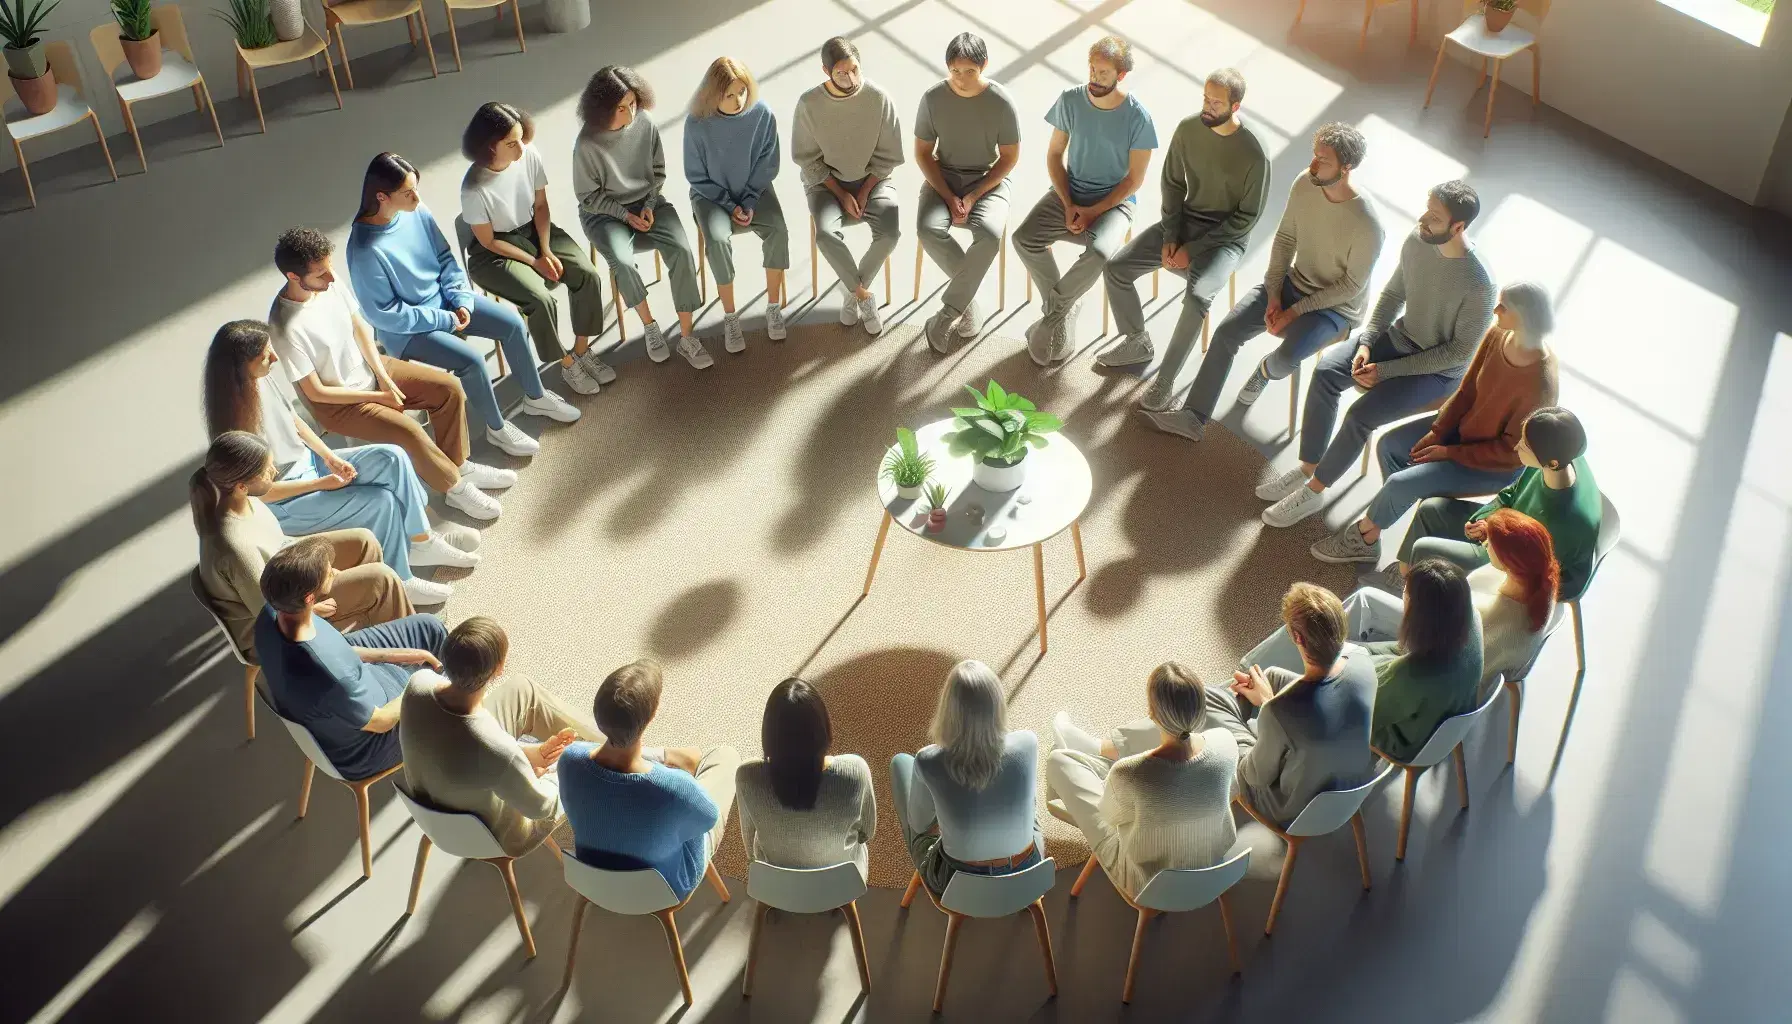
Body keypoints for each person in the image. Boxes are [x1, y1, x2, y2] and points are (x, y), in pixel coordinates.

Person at [1258, 180, 1498, 529]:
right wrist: (1368, 342)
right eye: (1426, 209)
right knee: (1327, 371)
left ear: (1458, 227)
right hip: (1396, 341)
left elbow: (1458, 352)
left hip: (1436, 372)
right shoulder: (1419, 241)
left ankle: (1315, 490)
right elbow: (1391, 296)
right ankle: (1309, 465)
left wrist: (1385, 371)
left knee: (1360, 415)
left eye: (1434, 217)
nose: (1423, 219)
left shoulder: (1480, 284)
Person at [1143, 122, 1382, 441]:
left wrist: (1294, 312)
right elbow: (1285, 239)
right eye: (1314, 155)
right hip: (1294, 284)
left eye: (1323, 160)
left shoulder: (1367, 224)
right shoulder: (1305, 183)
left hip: (1336, 310)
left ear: (1347, 167)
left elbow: (1350, 287)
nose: (1312, 164)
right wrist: (1273, 294)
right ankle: (1194, 418)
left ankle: (1265, 371)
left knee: (1284, 359)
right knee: (1227, 331)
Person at [206, 317, 489, 580]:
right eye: (266, 355)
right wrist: (322, 483)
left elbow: (295, 423)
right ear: (241, 366)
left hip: (310, 464)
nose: (275, 358)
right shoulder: (233, 432)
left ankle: (422, 539)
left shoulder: (260, 378)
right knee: (381, 501)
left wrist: (328, 457)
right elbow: (261, 497)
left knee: (393, 457)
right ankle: (401, 578)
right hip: (286, 501)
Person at [346, 152, 581, 459]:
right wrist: (445, 319)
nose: (417, 197)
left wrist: (460, 298)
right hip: (407, 330)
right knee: (471, 361)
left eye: (416, 187)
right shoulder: (364, 250)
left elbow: (445, 258)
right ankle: (497, 430)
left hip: (447, 303)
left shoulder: (416, 210)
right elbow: (386, 314)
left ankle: (535, 397)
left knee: (511, 325)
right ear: (382, 197)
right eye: (408, 192)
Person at [271, 227, 513, 519]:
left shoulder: (328, 284)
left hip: (370, 370)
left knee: (448, 388)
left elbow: (360, 328)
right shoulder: (285, 327)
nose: (332, 278)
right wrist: (380, 396)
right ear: (293, 277)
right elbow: (315, 393)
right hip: (340, 404)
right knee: (408, 430)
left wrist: (384, 378)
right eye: (321, 274)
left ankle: (457, 464)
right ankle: (456, 489)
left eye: (330, 269)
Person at [1311, 281, 1559, 565]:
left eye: (1504, 306)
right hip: (1460, 431)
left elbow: (1510, 451)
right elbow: (1467, 391)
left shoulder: (1540, 384)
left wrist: (1448, 452)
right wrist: (1437, 433)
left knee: (1401, 483)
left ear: (1525, 315)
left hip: (1493, 464)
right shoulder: (1498, 334)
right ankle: (1397, 515)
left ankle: (1372, 538)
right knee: (1390, 447)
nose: (1495, 310)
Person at [1098, 67, 1270, 412]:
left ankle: (1165, 381)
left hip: (1226, 239)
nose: (1207, 107)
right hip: (1185, 222)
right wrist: (1171, 237)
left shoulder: (1254, 153)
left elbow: (1246, 218)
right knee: (1116, 266)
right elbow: (1173, 185)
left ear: (1235, 107)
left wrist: (1193, 249)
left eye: (1216, 103)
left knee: (1197, 297)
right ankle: (1137, 340)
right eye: (1205, 98)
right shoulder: (1188, 129)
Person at [399, 616, 604, 857]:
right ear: (498, 669)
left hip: (439, 797)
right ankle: (615, 751)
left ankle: (608, 743)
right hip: (497, 835)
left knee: (521, 688)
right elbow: (542, 807)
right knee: (580, 766)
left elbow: (474, 747)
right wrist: (559, 769)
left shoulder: (418, 684)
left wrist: (528, 755)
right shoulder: (496, 750)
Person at [193, 432, 418, 648]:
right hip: (279, 624)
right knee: (382, 579)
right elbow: (269, 614)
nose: (274, 471)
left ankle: (381, 626)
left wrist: (323, 567)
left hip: (289, 580)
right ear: (241, 486)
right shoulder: (236, 548)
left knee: (363, 542)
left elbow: (282, 545)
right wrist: (312, 610)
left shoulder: (242, 501)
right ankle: (414, 655)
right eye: (266, 470)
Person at [1014, 35, 1158, 366]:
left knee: (1101, 251)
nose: (1094, 77)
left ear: (1121, 75)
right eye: (1092, 68)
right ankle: (1067, 306)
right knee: (1024, 239)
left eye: (1104, 72)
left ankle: (1052, 317)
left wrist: (1094, 211)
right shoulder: (1070, 100)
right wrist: (1068, 203)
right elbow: (1053, 155)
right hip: (1070, 192)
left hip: (1116, 203)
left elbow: (1134, 180)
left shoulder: (1139, 118)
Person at [255, 537, 448, 781]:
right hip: (368, 747)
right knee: (449, 687)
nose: (335, 572)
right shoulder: (330, 676)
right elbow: (381, 721)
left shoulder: (270, 614)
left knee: (429, 627)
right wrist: (424, 681)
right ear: (308, 598)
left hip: (352, 680)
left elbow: (340, 653)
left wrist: (400, 654)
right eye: (328, 574)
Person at [1045, 663, 1241, 900]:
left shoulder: (1130, 773)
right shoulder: (1225, 741)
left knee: (1058, 759)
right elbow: (1231, 789)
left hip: (1146, 883)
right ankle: (1100, 752)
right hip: (1212, 868)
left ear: (1152, 713)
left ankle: (1089, 756)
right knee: (1136, 775)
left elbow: (1110, 818)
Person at [460, 102, 615, 397]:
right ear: (489, 147)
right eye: (510, 143)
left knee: (587, 274)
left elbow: (541, 206)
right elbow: (489, 241)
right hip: (493, 253)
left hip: (535, 231)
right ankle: (568, 364)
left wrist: (546, 249)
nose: (521, 147)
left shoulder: (528, 155)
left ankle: (581, 352)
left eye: (521, 137)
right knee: (541, 300)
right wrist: (534, 261)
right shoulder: (473, 188)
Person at [556, 659, 740, 900]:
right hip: (665, 886)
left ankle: (664, 755)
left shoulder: (570, 759)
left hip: (591, 872)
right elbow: (706, 820)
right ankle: (669, 756)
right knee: (725, 756)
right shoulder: (675, 787)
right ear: (652, 716)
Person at [1204, 583, 1378, 827]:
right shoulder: (1362, 660)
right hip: (1352, 783)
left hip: (1292, 807)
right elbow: (1312, 703)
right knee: (1272, 675)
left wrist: (1267, 711)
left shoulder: (1279, 712)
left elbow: (1255, 776)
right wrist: (1269, 705)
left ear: (1296, 637)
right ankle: (1247, 715)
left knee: (1208, 698)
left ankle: (1238, 719)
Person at [576, 66, 711, 369]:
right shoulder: (587, 143)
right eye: (620, 108)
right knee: (622, 262)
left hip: (647, 203)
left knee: (681, 249)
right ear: (602, 109)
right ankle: (650, 326)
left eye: (633, 104)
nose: (630, 113)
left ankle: (688, 336)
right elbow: (587, 197)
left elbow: (658, 171)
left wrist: (648, 205)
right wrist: (624, 214)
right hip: (603, 214)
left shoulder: (645, 123)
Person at [1396, 406, 1602, 601]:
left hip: (1523, 570)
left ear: (1552, 463)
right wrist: (1485, 518)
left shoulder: (1566, 522)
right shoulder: (1555, 458)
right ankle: (1405, 581)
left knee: (1423, 548)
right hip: (1512, 533)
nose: (1516, 446)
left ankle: (1415, 604)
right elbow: (1509, 495)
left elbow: (1531, 570)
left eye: (1525, 444)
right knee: (1429, 510)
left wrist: (1490, 538)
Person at [890, 660, 1044, 897]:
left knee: (901, 763)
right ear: (998, 703)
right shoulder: (1027, 742)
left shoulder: (929, 760)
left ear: (947, 709)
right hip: (1028, 873)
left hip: (958, 884)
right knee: (1030, 808)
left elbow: (920, 824)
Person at [913, 32, 1021, 354]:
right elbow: (922, 153)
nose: (960, 79)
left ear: (984, 66)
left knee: (989, 235)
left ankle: (947, 314)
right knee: (927, 229)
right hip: (943, 177)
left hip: (988, 181)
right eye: (955, 71)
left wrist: (973, 197)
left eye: (969, 72)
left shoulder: (1001, 103)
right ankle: (969, 299)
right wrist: (948, 196)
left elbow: (1010, 158)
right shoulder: (932, 99)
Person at [792, 36, 905, 338]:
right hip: (825, 185)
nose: (852, 78)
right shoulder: (809, 104)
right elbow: (807, 160)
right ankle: (864, 296)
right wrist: (841, 192)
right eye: (842, 73)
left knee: (891, 233)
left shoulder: (879, 98)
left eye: (855, 69)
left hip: (873, 179)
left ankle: (853, 291)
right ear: (825, 71)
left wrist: (865, 189)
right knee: (826, 235)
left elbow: (889, 156)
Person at [685, 57, 791, 352]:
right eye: (728, 94)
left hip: (753, 190)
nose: (737, 100)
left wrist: (748, 200)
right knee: (717, 240)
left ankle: (773, 307)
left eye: (742, 91)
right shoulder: (697, 123)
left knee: (778, 230)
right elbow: (696, 177)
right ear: (713, 93)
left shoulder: (762, 114)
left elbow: (768, 164)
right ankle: (731, 317)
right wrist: (730, 206)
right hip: (710, 197)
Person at [1340, 560, 1484, 763]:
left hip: (1405, 743)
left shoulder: (1412, 676)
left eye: (1405, 595)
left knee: (1321, 669)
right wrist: (1356, 650)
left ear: (1421, 617)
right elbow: (1401, 653)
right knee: (1363, 602)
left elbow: (1361, 714)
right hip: (1442, 718)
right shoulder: (1471, 620)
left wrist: (1343, 657)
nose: (1403, 595)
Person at [734, 678, 877, 874]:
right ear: (824, 729)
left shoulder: (747, 777)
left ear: (768, 734)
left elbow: (749, 846)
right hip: (841, 882)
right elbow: (867, 832)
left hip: (774, 881)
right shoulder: (856, 771)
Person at [1469, 509, 1559, 698]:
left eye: (1489, 544)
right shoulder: (1543, 581)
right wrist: (1494, 533)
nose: (1485, 544)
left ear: (1508, 562)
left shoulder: (1488, 618)